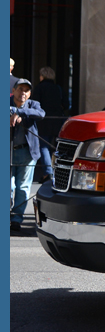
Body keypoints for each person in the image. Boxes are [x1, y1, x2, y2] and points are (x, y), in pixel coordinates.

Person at [10, 79, 45, 234]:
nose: (23, 93)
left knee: (23, 187)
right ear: (14, 90)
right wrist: (12, 111)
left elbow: (40, 114)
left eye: (26, 90)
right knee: (8, 187)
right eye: (20, 89)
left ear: (30, 94)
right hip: (9, 151)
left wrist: (19, 113)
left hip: (27, 153)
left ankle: (16, 220)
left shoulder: (33, 105)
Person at [34, 66, 66, 183]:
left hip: (44, 120)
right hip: (57, 120)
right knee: (58, 147)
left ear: (42, 76)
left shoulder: (39, 88)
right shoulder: (58, 88)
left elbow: (35, 104)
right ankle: (60, 173)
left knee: (44, 146)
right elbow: (66, 104)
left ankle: (48, 172)